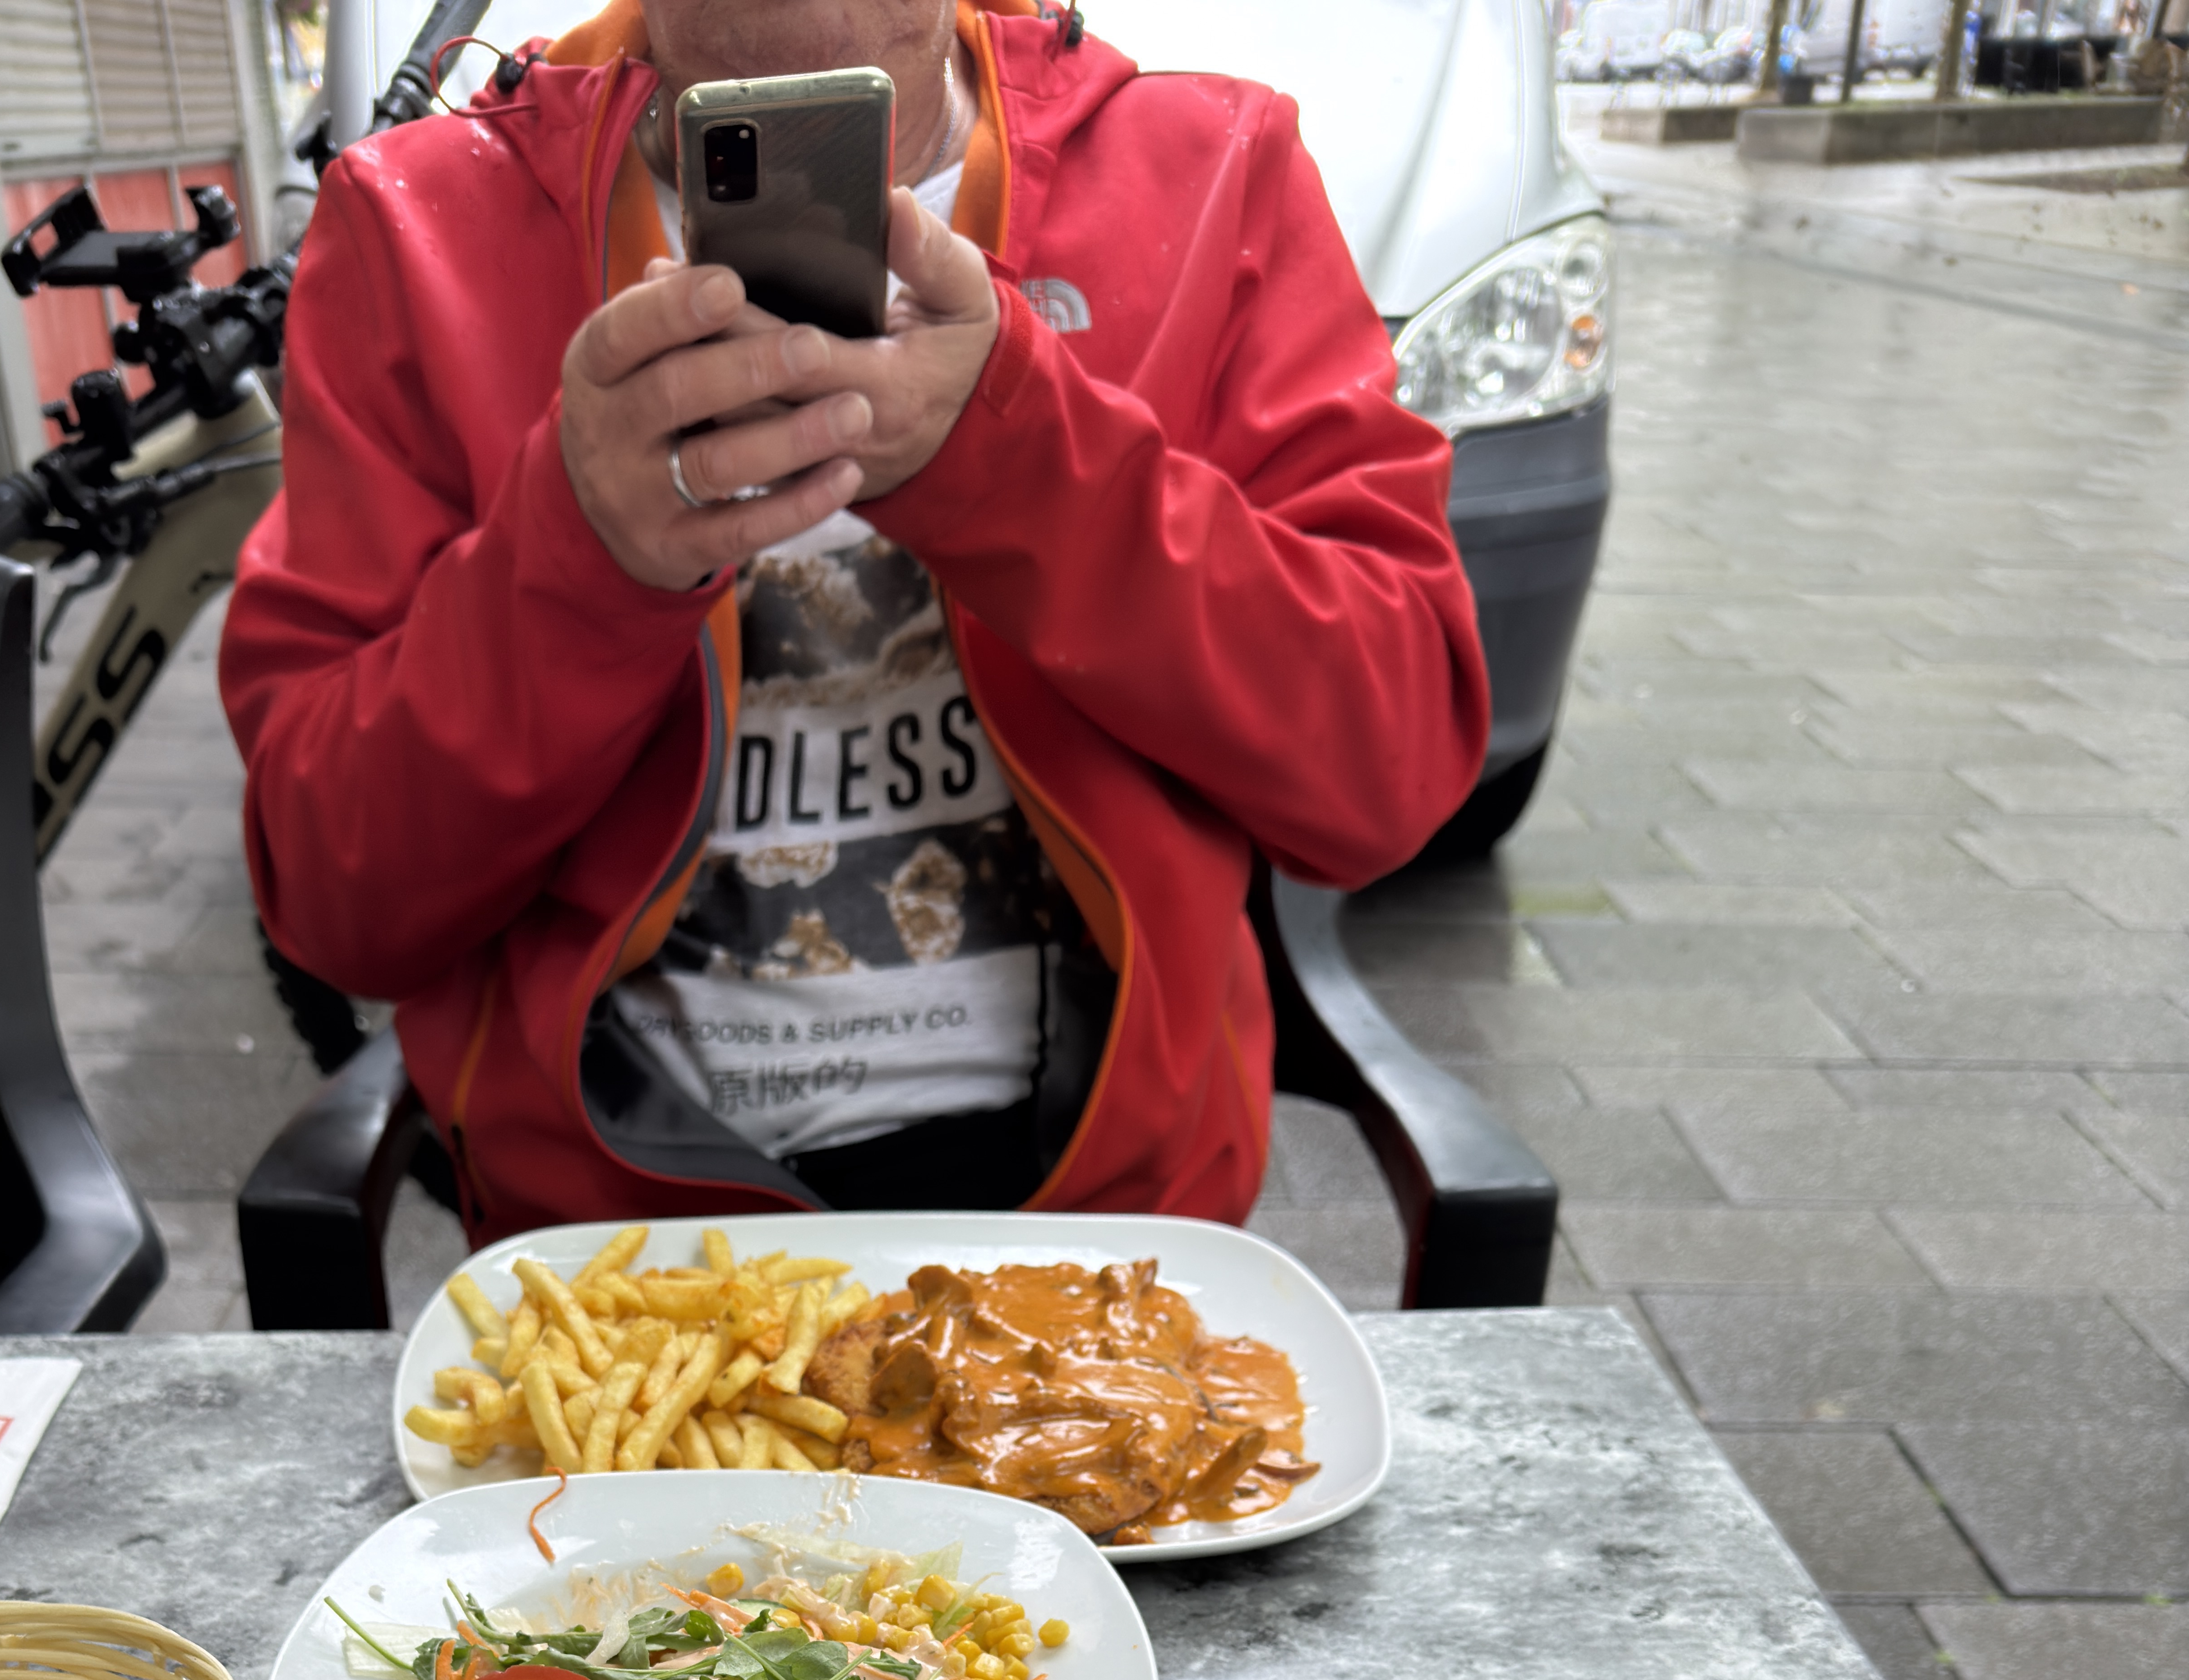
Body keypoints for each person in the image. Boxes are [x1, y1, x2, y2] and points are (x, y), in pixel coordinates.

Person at [221, 0, 1488, 1234]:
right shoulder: (416, 225)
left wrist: (1020, 458)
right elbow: (343, 900)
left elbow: (1393, 760)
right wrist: (577, 556)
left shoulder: (1214, 173)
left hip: (1104, 1236)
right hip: (623, 1255)